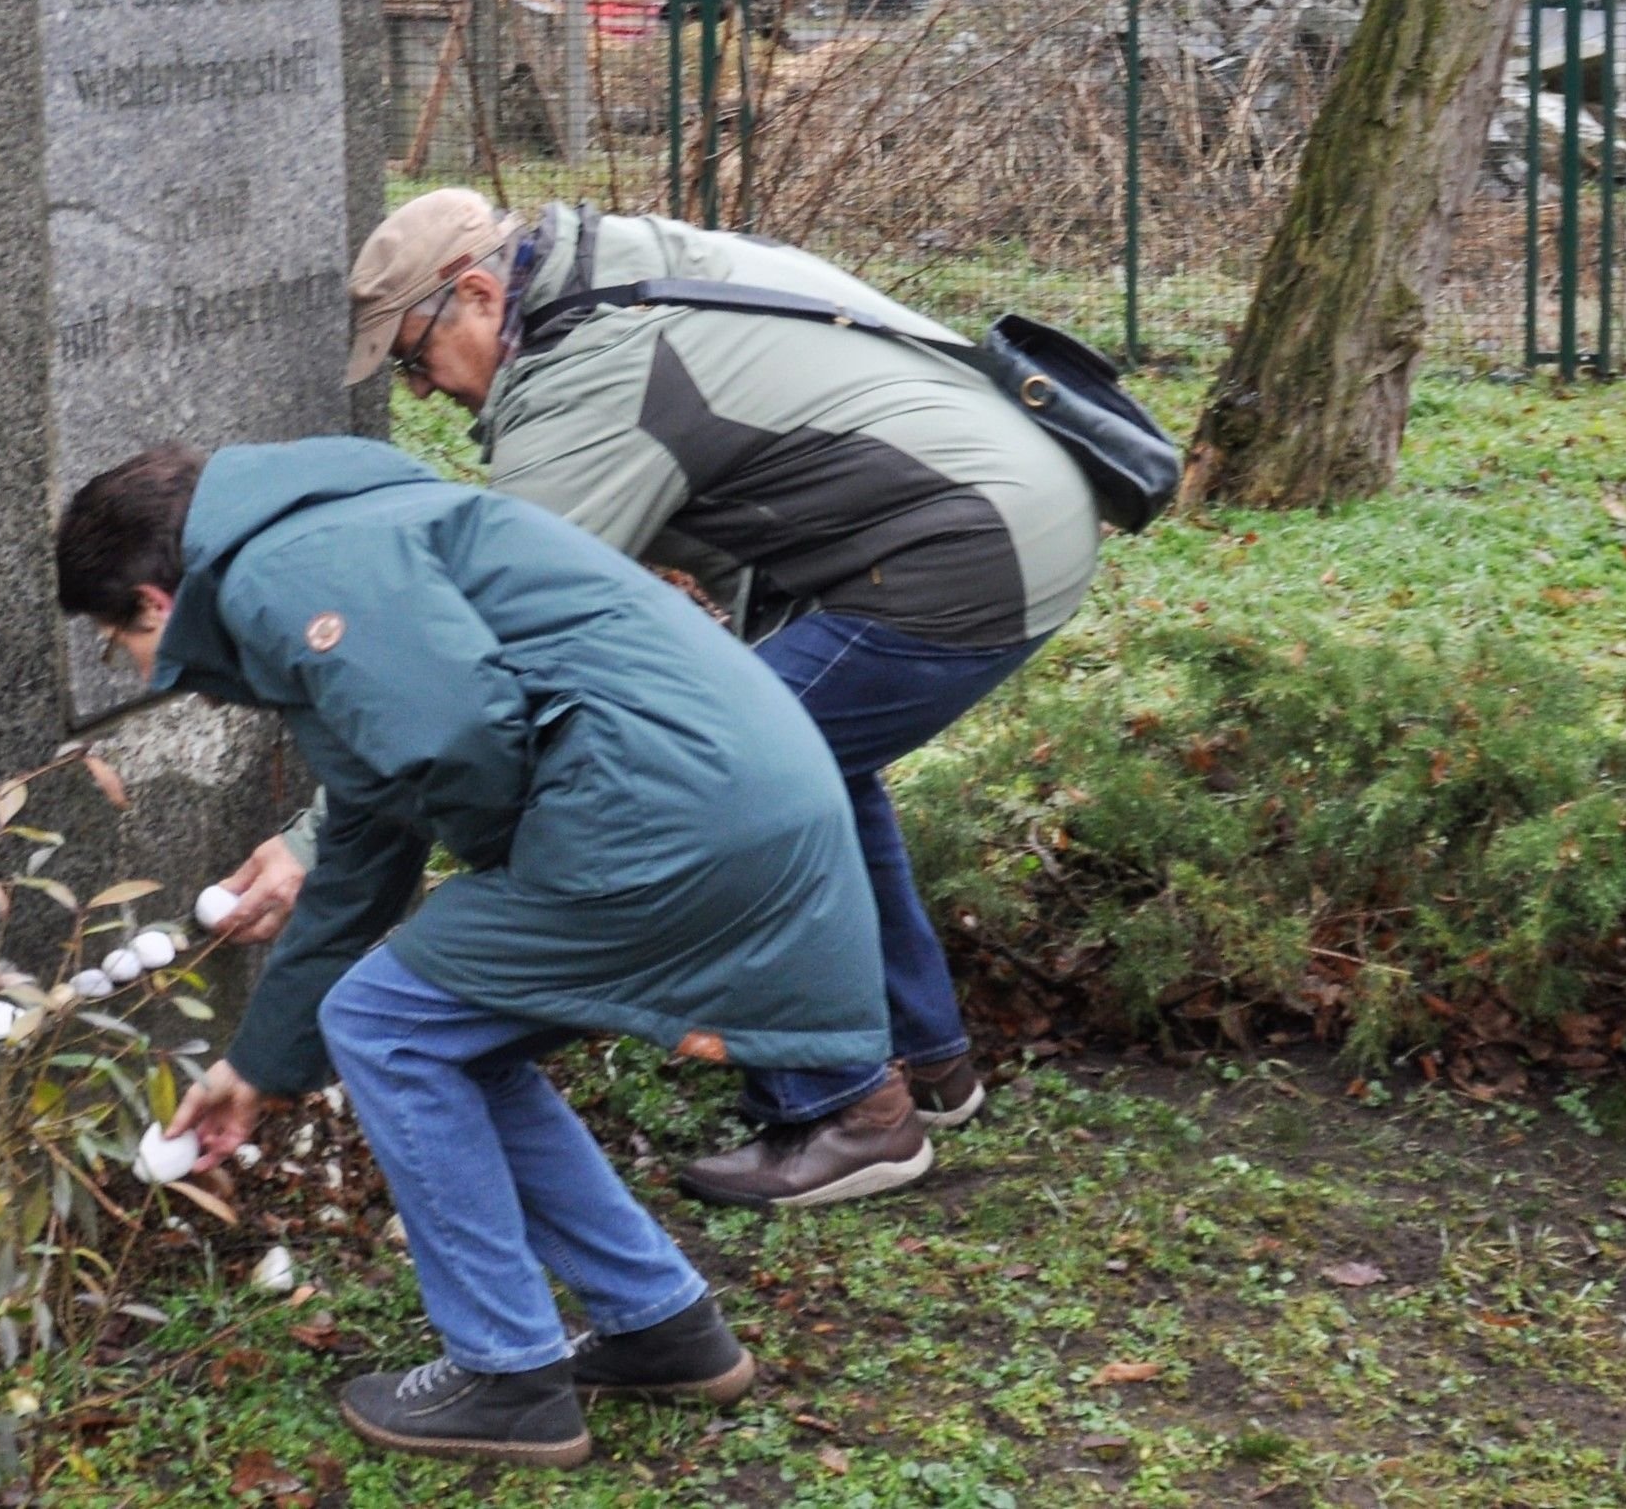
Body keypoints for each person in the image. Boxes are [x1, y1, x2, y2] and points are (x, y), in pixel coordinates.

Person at [210, 190, 1104, 1208]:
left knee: (720, 791)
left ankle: (855, 1111)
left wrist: (316, 841)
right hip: (1002, 509)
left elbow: (466, 658)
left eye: (414, 358)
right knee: (810, 768)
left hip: (960, 550)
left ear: (474, 293)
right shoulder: (618, 266)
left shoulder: (584, 377)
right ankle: (919, 1054)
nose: (418, 393)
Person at [62, 439, 889, 1466]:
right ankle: (659, 1327)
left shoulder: (288, 571)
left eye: (115, 643)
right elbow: (369, 830)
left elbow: (451, 739)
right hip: (718, 794)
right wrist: (257, 1067)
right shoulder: (327, 540)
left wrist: (507, 861)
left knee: (387, 1023)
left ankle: (506, 1375)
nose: (137, 668)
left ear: (151, 601)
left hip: (661, 812)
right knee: (449, 1032)